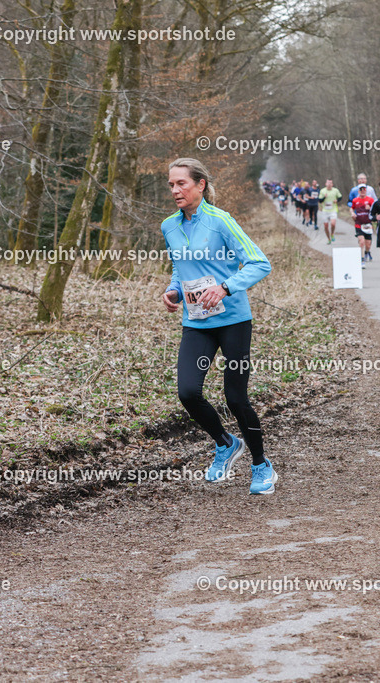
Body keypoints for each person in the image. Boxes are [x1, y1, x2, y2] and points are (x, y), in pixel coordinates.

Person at [161, 158, 278, 494]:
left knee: (236, 397)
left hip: (232, 320)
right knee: (187, 392)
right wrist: (173, 292)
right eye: (171, 184)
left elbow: (259, 263)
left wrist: (225, 287)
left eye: (181, 183)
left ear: (200, 184)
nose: (175, 190)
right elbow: (180, 269)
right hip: (197, 322)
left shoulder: (221, 221)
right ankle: (225, 443)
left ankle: (261, 466)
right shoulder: (170, 226)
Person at [350, 185, 375, 266]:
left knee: (368, 244)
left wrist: (370, 208)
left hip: (368, 224)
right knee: (361, 242)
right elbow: (351, 208)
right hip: (358, 224)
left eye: (364, 190)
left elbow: (375, 210)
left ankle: (367, 252)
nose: (362, 192)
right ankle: (362, 259)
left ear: (366, 191)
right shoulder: (355, 200)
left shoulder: (370, 200)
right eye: (361, 190)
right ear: (358, 191)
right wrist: (352, 213)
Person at [319, 179, 343, 244]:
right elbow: (320, 200)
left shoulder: (335, 190)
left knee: (333, 224)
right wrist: (324, 197)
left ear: (332, 184)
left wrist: (337, 200)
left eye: (330, 183)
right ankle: (329, 238)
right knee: (326, 226)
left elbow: (340, 197)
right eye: (328, 183)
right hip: (325, 210)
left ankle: (332, 233)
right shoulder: (322, 191)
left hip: (333, 210)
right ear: (325, 184)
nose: (329, 184)